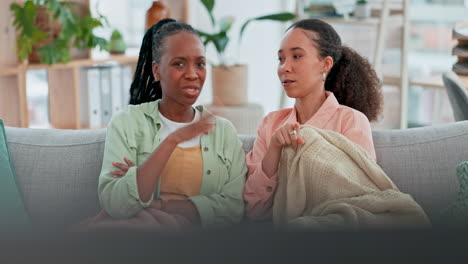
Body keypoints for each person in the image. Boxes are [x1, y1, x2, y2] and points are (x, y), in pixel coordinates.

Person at [81, 19, 247, 231]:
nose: (192, 74)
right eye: (179, 63)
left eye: (200, 64)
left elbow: (233, 209)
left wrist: (155, 202)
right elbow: (116, 204)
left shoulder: (223, 131)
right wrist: (173, 140)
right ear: (157, 71)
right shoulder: (128, 123)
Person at [243, 18, 384, 221]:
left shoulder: (351, 121)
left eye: (297, 56)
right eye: (281, 59)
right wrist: (274, 148)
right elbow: (252, 209)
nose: (285, 67)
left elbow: (360, 199)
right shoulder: (271, 124)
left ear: (325, 64)